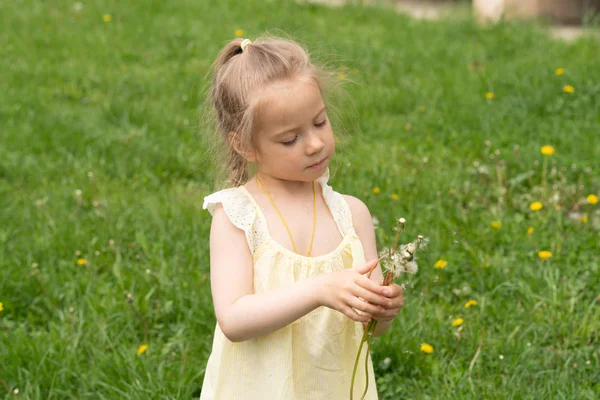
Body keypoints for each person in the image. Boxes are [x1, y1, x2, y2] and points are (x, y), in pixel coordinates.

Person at [200, 36, 405, 400]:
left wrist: (383, 310)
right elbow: (233, 319)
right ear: (245, 145)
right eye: (290, 138)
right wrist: (318, 290)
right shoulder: (239, 217)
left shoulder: (351, 215)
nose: (314, 143)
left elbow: (371, 328)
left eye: (320, 122)